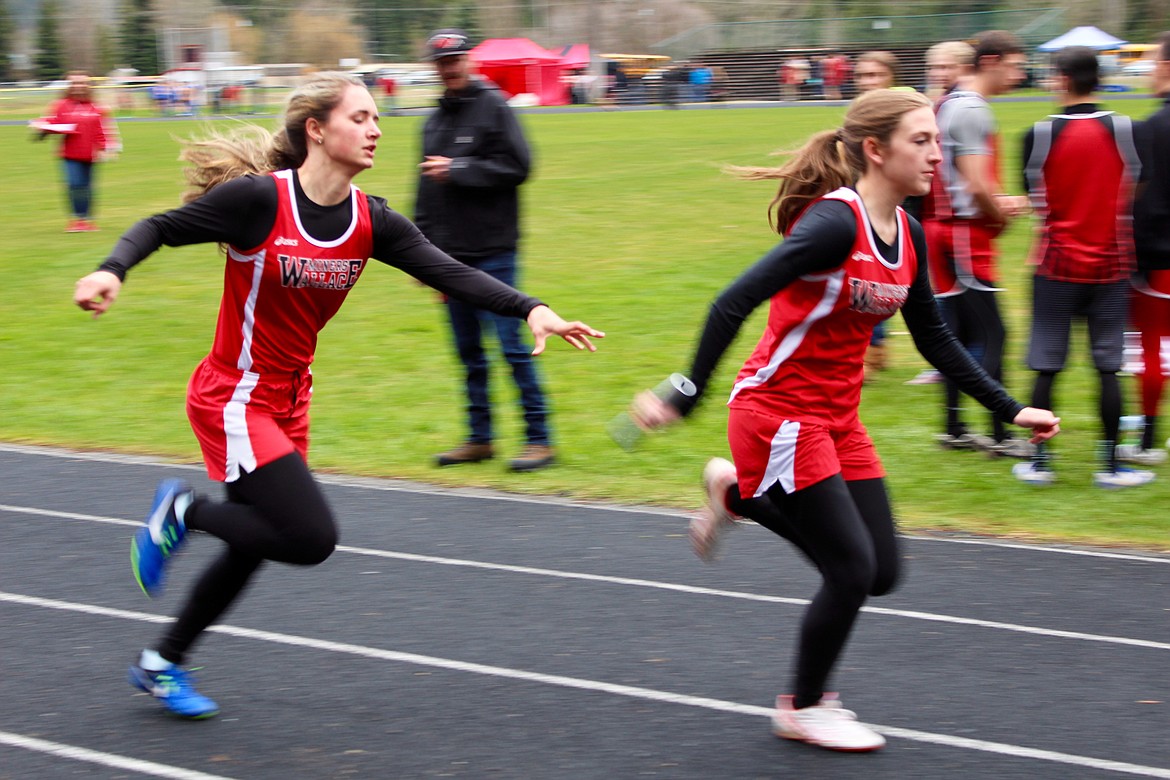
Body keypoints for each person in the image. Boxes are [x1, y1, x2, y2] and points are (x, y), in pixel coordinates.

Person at [71, 72, 603, 719]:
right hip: (234, 395)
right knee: (309, 536)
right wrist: (110, 269)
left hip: (291, 397)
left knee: (258, 539)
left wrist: (531, 309)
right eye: (360, 117)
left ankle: (163, 662)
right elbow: (159, 226)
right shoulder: (259, 202)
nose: (376, 128)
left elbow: (449, 271)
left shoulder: (371, 220)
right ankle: (183, 511)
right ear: (317, 130)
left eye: (378, 118)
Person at [629, 89, 1059, 752]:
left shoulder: (909, 234)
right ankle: (802, 706)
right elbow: (731, 301)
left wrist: (1010, 408)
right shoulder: (834, 225)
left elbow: (937, 341)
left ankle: (735, 493)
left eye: (938, 141)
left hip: (837, 422)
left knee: (881, 572)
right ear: (875, 150)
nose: (937, 155)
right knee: (850, 571)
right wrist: (684, 393)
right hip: (777, 416)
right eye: (922, 141)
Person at [414, 29, 558, 472]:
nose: (449, 68)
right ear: (434, 69)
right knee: (469, 354)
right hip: (450, 258)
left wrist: (458, 169)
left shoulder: (494, 106)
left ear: (468, 61)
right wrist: (421, 255)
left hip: (494, 250)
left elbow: (519, 166)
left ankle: (540, 440)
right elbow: (424, 191)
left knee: (513, 348)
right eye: (441, 63)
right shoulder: (433, 122)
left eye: (456, 60)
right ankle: (480, 439)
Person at [1013, 47, 1148, 488]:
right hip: (1112, 267)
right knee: (1109, 367)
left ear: (1062, 79)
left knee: (1046, 366)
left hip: (1054, 268)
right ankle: (1110, 466)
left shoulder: (1037, 135)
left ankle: (1040, 463)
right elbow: (1137, 189)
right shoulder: (1128, 130)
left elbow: (1035, 197)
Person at [923, 31, 1031, 456]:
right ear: (990, 61)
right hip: (964, 233)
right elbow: (974, 182)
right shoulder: (972, 109)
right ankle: (1002, 436)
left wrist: (995, 200)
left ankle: (954, 427)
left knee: (956, 334)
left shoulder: (949, 102)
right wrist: (1001, 210)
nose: (1020, 75)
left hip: (943, 230)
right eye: (1015, 65)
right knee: (993, 334)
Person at [906, 41, 977, 387]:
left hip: (954, 218)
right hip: (932, 215)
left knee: (959, 296)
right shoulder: (937, 107)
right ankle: (953, 364)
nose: (938, 74)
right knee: (944, 293)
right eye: (934, 68)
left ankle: (963, 362)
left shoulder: (958, 108)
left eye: (946, 67)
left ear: (966, 69)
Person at [1128, 32, 1170, 465]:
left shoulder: (1150, 128)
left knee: (1153, 349)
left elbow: (1145, 203)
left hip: (1160, 260)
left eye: (1155, 60)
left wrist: (1135, 259)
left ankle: (1147, 441)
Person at [30, 71, 121, 233]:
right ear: (69, 86)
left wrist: (110, 148)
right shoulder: (60, 105)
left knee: (87, 187)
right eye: (74, 83)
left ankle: (88, 220)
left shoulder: (98, 107)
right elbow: (51, 121)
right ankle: (77, 219)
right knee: (74, 185)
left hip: (91, 154)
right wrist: (41, 127)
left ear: (89, 86)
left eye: (82, 83)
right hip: (69, 154)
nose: (78, 86)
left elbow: (104, 129)